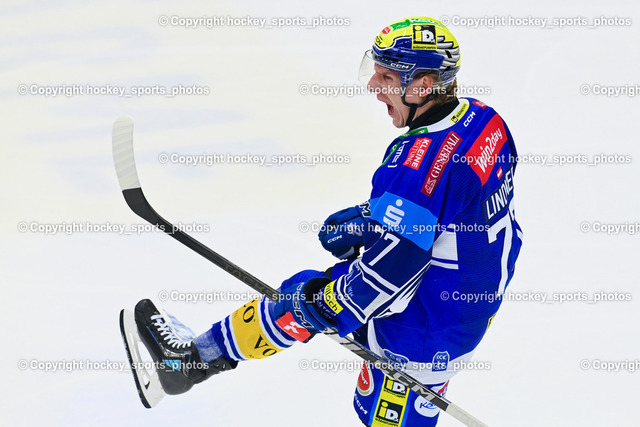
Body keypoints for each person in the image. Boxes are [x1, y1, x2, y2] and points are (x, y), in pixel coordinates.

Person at [130, 16, 522, 426]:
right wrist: (378, 218)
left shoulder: (416, 166)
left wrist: (326, 304)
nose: (374, 86)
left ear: (423, 86)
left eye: (387, 77)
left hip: (420, 331)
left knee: (299, 297)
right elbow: (460, 208)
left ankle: (187, 365)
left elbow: (390, 279)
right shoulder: (485, 121)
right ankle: (195, 362)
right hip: (466, 307)